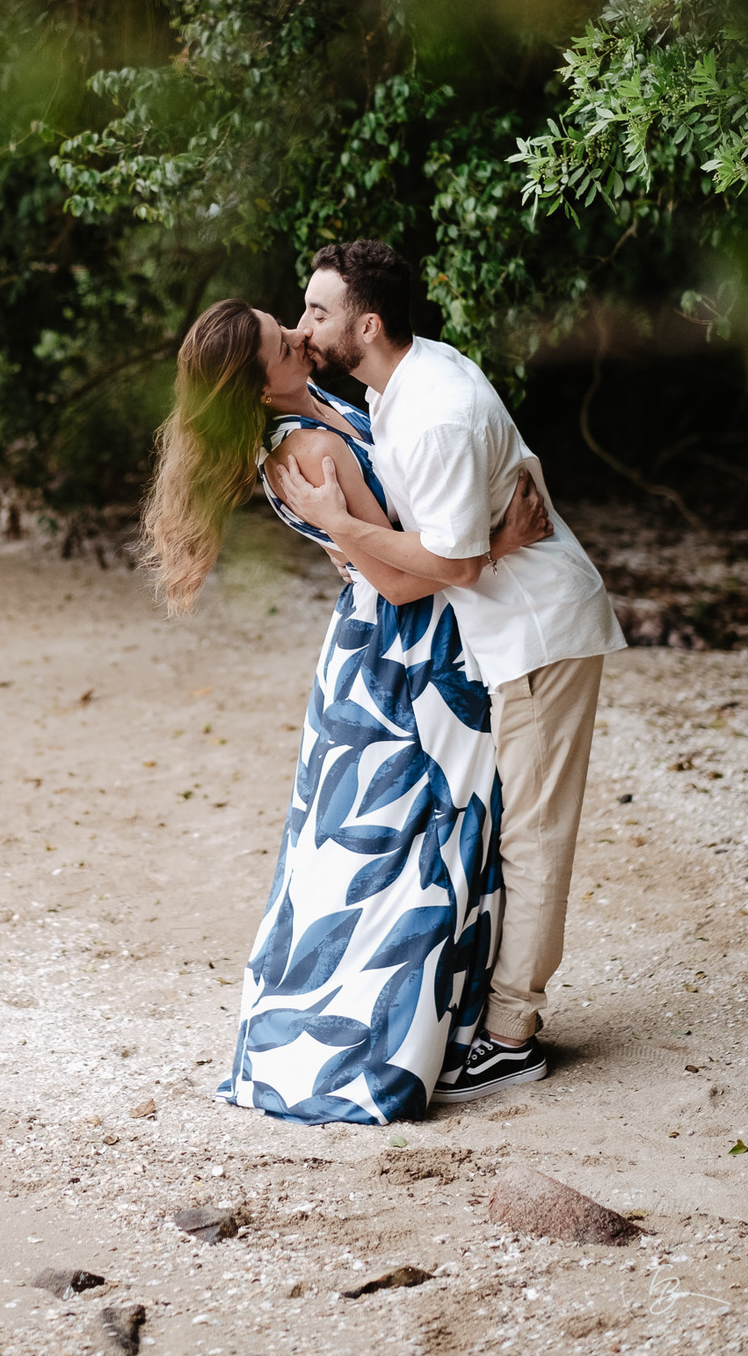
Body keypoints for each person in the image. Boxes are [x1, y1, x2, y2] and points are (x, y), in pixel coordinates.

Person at [141, 299, 551, 1124]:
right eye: (280, 342)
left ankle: (442, 1027)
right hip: (403, 655)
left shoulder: (321, 403)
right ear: (257, 389)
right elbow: (396, 579)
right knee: (411, 844)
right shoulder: (306, 448)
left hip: (403, 640)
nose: (300, 335)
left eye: (285, 321)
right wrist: (497, 546)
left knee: (425, 836)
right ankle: (381, 1049)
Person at [278, 240, 626, 1104]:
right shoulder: (394, 385)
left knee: (533, 835)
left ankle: (511, 1036)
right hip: (502, 627)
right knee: (512, 826)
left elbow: (456, 564)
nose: (303, 325)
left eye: (318, 311)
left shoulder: (432, 410)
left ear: (367, 324)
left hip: (535, 633)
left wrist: (341, 526)